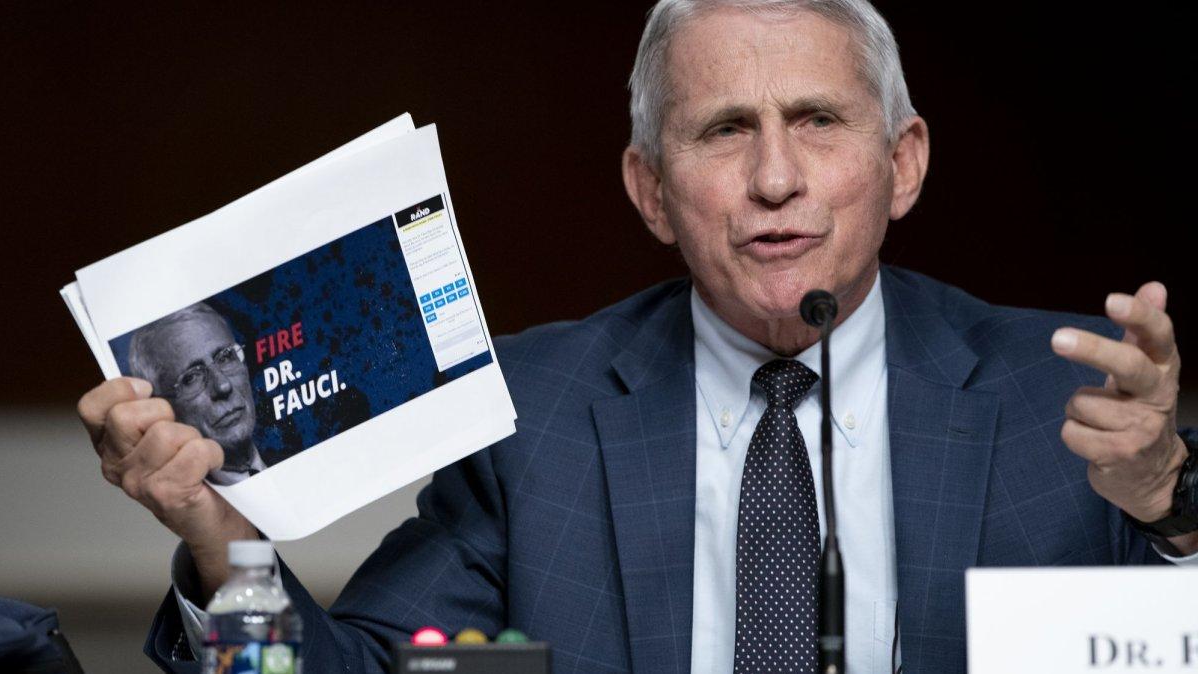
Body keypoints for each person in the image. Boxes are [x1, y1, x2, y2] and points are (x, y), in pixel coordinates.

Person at [77, 1, 1194, 672]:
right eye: (725, 131)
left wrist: (1170, 509)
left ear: (901, 164)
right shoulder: (538, 413)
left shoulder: (1068, 401)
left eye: (816, 121)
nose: (773, 178)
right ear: (651, 189)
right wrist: (219, 532)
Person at [124, 303, 264, 486]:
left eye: (225, 357)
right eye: (191, 378)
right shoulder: (182, 502)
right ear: (161, 406)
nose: (223, 386)